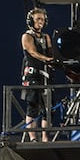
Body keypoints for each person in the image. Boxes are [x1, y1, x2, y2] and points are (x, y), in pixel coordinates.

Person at [21, 8, 54, 141]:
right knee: (32, 106)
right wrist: (47, 59)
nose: (41, 22)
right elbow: (33, 52)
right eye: (38, 19)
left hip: (46, 76)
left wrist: (54, 60)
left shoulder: (46, 37)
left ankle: (46, 138)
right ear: (31, 21)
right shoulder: (27, 36)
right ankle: (33, 137)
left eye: (43, 19)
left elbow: (51, 53)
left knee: (48, 108)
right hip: (32, 75)